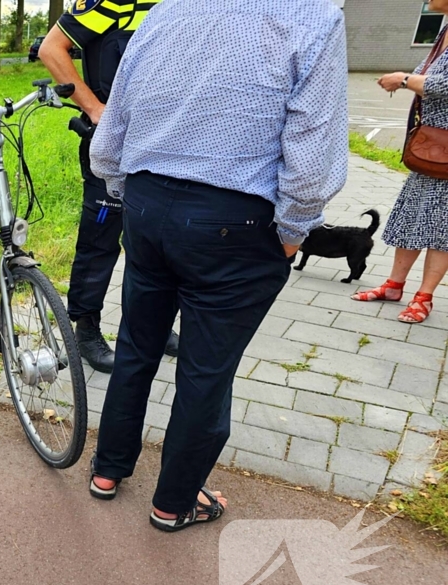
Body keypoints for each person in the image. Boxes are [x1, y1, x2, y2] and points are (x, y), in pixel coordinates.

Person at [87, 0, 348, 531]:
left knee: (137, 345)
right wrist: (295, 230)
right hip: (235, 219)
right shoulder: (312, 16)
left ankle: (107, 472)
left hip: (146, 201)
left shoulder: (166, 11)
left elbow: (117, 117)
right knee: (206, 369)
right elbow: (313, 139)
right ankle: (173, 502)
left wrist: (120, 187)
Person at [38, 0, 178, 374]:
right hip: (114, 145)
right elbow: (52, 48)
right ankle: (86, 331)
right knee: (101, 240)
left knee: (156, 238)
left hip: (165, 142)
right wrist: (94, 108)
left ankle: (154, 325)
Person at [351, 11, 448, 324]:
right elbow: (429, 79)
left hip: (444, 147)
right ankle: (394, 285)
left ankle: (425, 298)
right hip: (430, 146)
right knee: (411, 216)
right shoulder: (443, 31)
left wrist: (404, 80)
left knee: (441, 227)